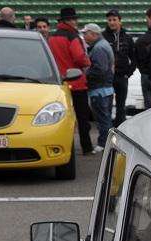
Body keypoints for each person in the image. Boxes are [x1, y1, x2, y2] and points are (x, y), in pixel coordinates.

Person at [48, 7, 93, 154]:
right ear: (70, 21)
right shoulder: (73, 36)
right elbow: (79, 57)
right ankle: (86, 147)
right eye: (74, 19)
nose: (76, 22)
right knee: (82, 117)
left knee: (60, 118)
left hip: (59, 83)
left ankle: (61, 147)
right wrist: (87, 62)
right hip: (77, 82)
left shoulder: (52, 37)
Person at [82, 23, 114, 146]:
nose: (84, 36)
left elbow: (100, 70)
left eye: (86, 33)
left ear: (94, 34)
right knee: (105, 119)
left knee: (103, 120)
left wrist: (86, 73)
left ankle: (103, 144)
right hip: (105, 88)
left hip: (99, 89)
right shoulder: (102, 45)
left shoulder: (99, 48)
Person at [104, 8, 136, 125]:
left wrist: (129, 73)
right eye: (109, 20)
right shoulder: (103, 37)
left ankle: (120, 130)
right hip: (107, 77)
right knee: (106, 106)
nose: (112, 22)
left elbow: (134, 58)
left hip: (122, 76)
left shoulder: (127, 38)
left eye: (114, 19)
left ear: (120, 21)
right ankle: (107, 130)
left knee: (121, 106)